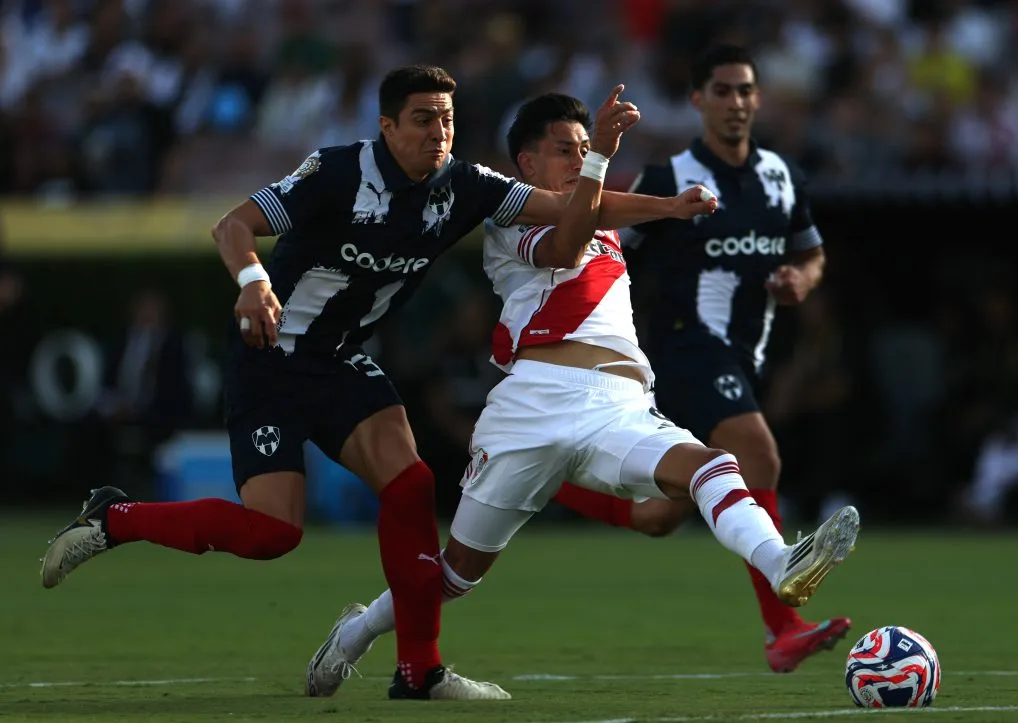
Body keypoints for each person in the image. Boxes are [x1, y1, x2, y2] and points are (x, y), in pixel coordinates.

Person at [39, 65, 723, 702]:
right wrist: (252, 283)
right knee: (273, 533)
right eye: (423, 118)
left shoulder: (466, 185)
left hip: (338, 358)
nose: (438, 132)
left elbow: (575, 211)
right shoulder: (337, 172)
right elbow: (233, 226)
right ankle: (114, 518)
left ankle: (418, 668)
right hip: (270, 356)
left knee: (413, 484)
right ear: (387, 127)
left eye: (447, 119)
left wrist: (671, 206)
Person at [303, 91, 860, 697]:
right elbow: (567, 238)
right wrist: (625, 176)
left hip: (617, 407)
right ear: (526, 165)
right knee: (457, 575)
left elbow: (604, 209)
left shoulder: (597, 214)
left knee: (712, 466)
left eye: (584, 149)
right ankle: (356, 631)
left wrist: (673, 207)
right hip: (533, 406)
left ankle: (781, 562)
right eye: (564, 151)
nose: (578, 159)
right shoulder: (504, 216)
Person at [549, 45, 846, 674]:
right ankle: (782, 628)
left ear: (758, 99)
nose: (736, 102)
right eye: (722, 90)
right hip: (686, 347)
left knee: (659, 516)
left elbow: (812, 253)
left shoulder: (779, 176)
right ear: (698, 101)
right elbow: (602, 245)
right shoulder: (668, 176)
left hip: (744, 357)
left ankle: (552, 480)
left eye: (745, 90)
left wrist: (803, 279)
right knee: (757, 451)